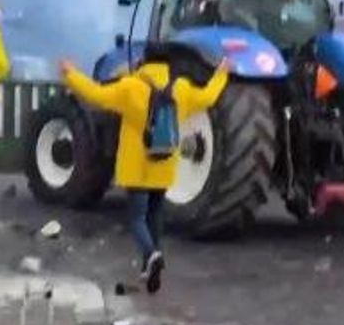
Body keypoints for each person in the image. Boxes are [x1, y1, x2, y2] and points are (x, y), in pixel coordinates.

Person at [58, 55, 230, 293]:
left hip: (137, 167)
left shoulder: (131, 87)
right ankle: (149, 271)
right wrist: (221, 73)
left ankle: (151, 255)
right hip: (164, 165)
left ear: (143, 64)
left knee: (137, 219)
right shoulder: (181, 89)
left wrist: (70, 74)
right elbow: (208, 97)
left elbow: (95, 95)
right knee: (154, 215)